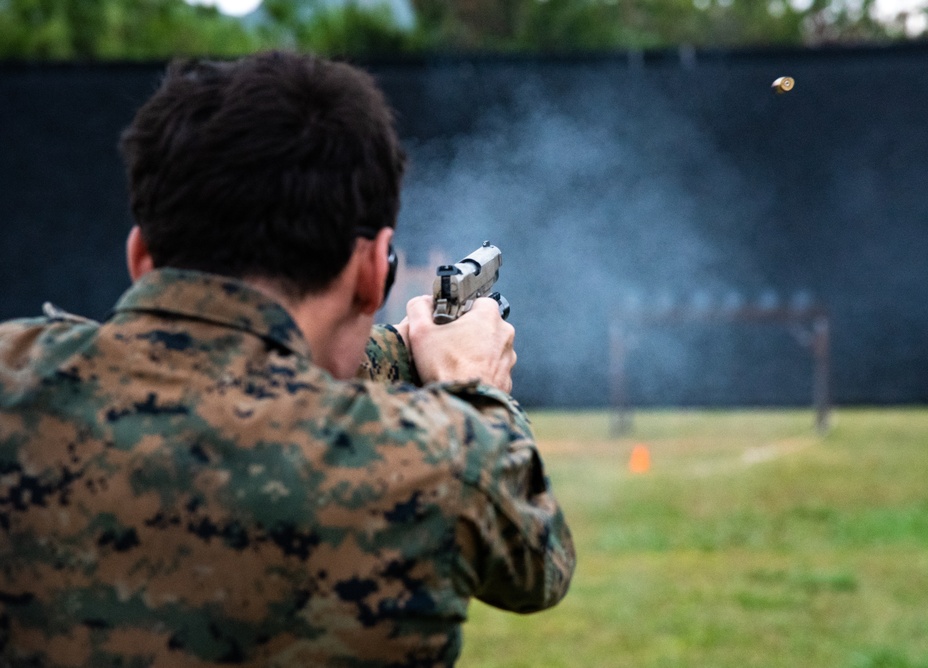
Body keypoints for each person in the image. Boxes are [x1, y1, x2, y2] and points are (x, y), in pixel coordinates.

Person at [0, 51, 574, 666]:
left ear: (140, 255)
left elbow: (235, 356)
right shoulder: (436, 466)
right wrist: (472, 384)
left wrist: (408, 350)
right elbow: (537, 559)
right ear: (369, 272)